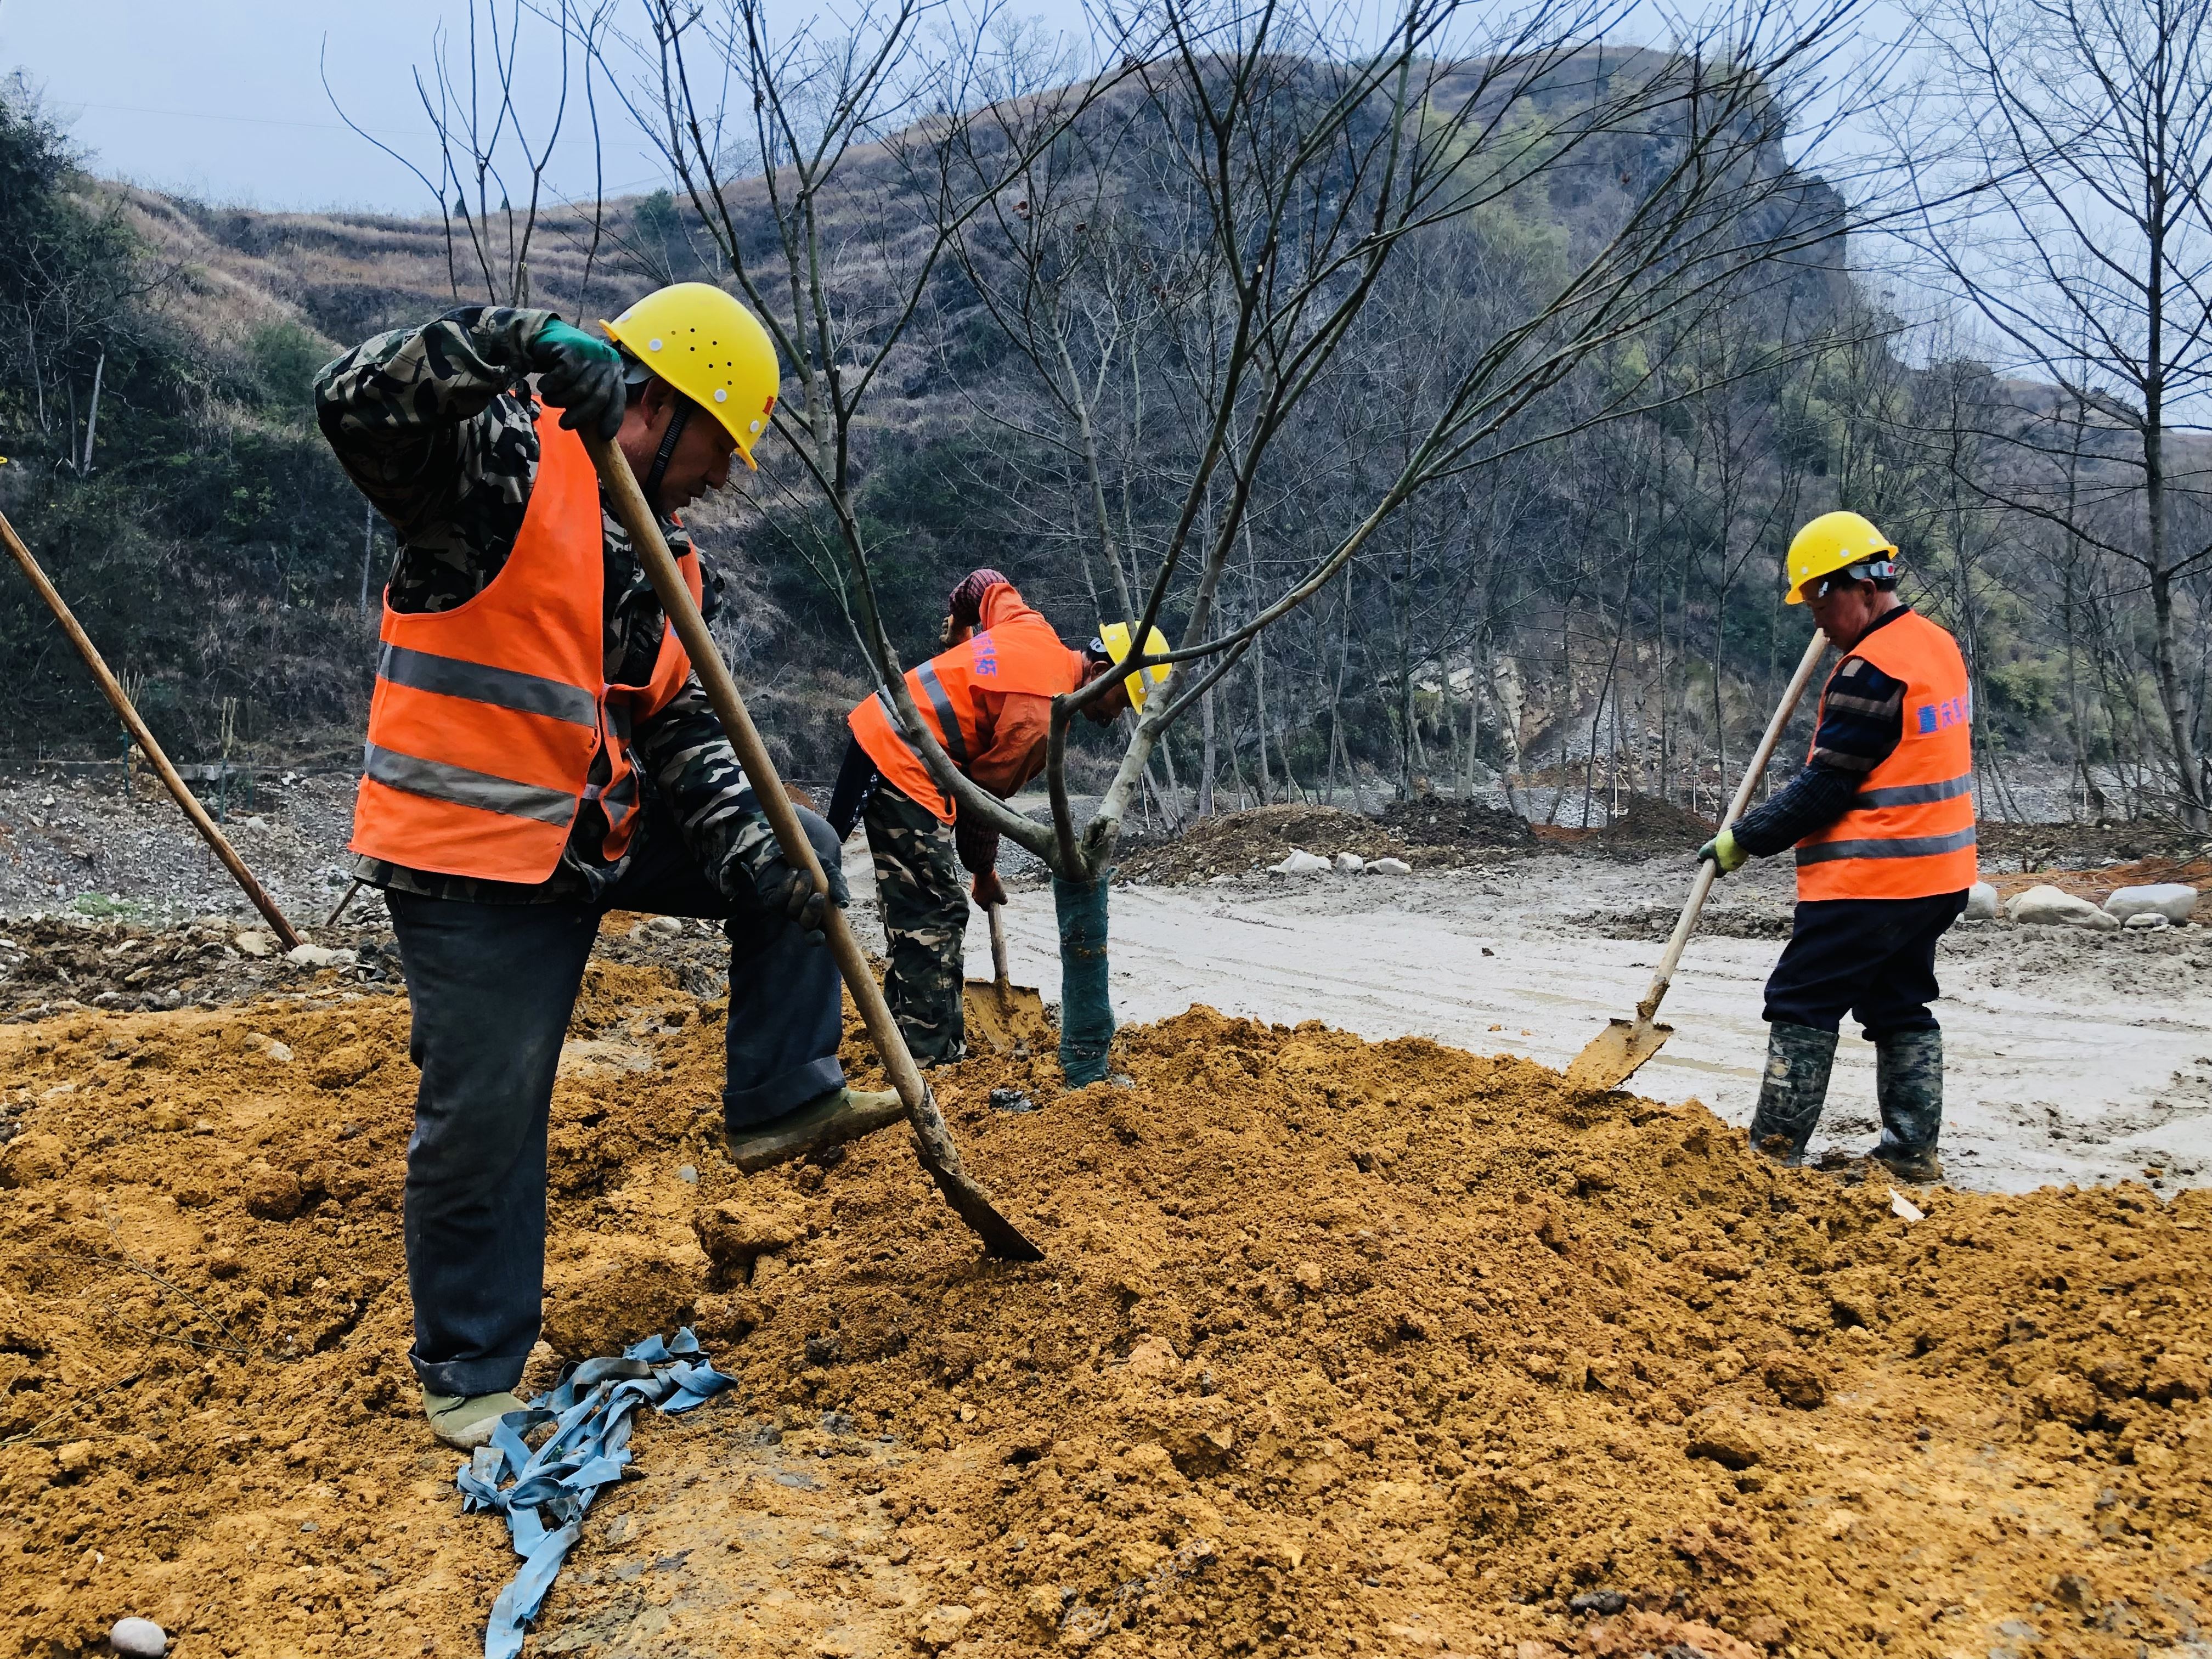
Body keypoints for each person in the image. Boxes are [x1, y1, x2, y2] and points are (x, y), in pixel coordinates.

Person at [314, 282, 896, 1448]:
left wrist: (759, 855)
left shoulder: (661, 555)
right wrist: (514, 342)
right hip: (470, 858)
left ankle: (782, 1093)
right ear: (658, 403)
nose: (724, 478)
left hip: (590, 839)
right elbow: (352, 400)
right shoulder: (493, 469)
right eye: (722, 445)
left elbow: (680, 727)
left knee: (804, 843)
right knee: (488, 1107)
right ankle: (471, 1371)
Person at [1697, 510, 1976, 1183]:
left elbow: (1827, 786)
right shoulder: (1936, 645)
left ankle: (1773, 1160)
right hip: (1940, 875)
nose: (1818, 624)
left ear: (1861, 588)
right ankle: (1910, 1154)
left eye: (1821, 605)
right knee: (1898, 1002)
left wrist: (1743, 839)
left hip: (1873, 879)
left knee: (1802, 999)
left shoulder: (1871, 670)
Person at [825, 571, 1164, 1064]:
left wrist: (961, 630)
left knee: (914, 905)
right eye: (1121, 700)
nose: (1117, 717)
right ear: (1098, 672)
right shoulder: (1037, 719)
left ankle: (901, 1039)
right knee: (935, 913)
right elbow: (980, 806)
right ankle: (930, 1057)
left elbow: (984, 583)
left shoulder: (1033, 629)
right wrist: (982, 873)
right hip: (905, 760)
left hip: (880, 725)